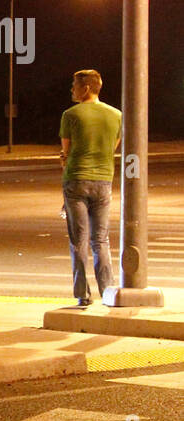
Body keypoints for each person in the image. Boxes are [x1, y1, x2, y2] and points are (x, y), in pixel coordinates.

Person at [60, 69, 122, 307]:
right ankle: (107, 290)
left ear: (86, 88)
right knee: (101, 239)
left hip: (76, 179)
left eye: (74, 85)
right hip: (104, 180)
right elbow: (111, 147)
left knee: (79, 240)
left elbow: (67, 151)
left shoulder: (70, 114)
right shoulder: (116, 115)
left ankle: (82, 294)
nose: (72, 89)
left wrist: (66, 158)